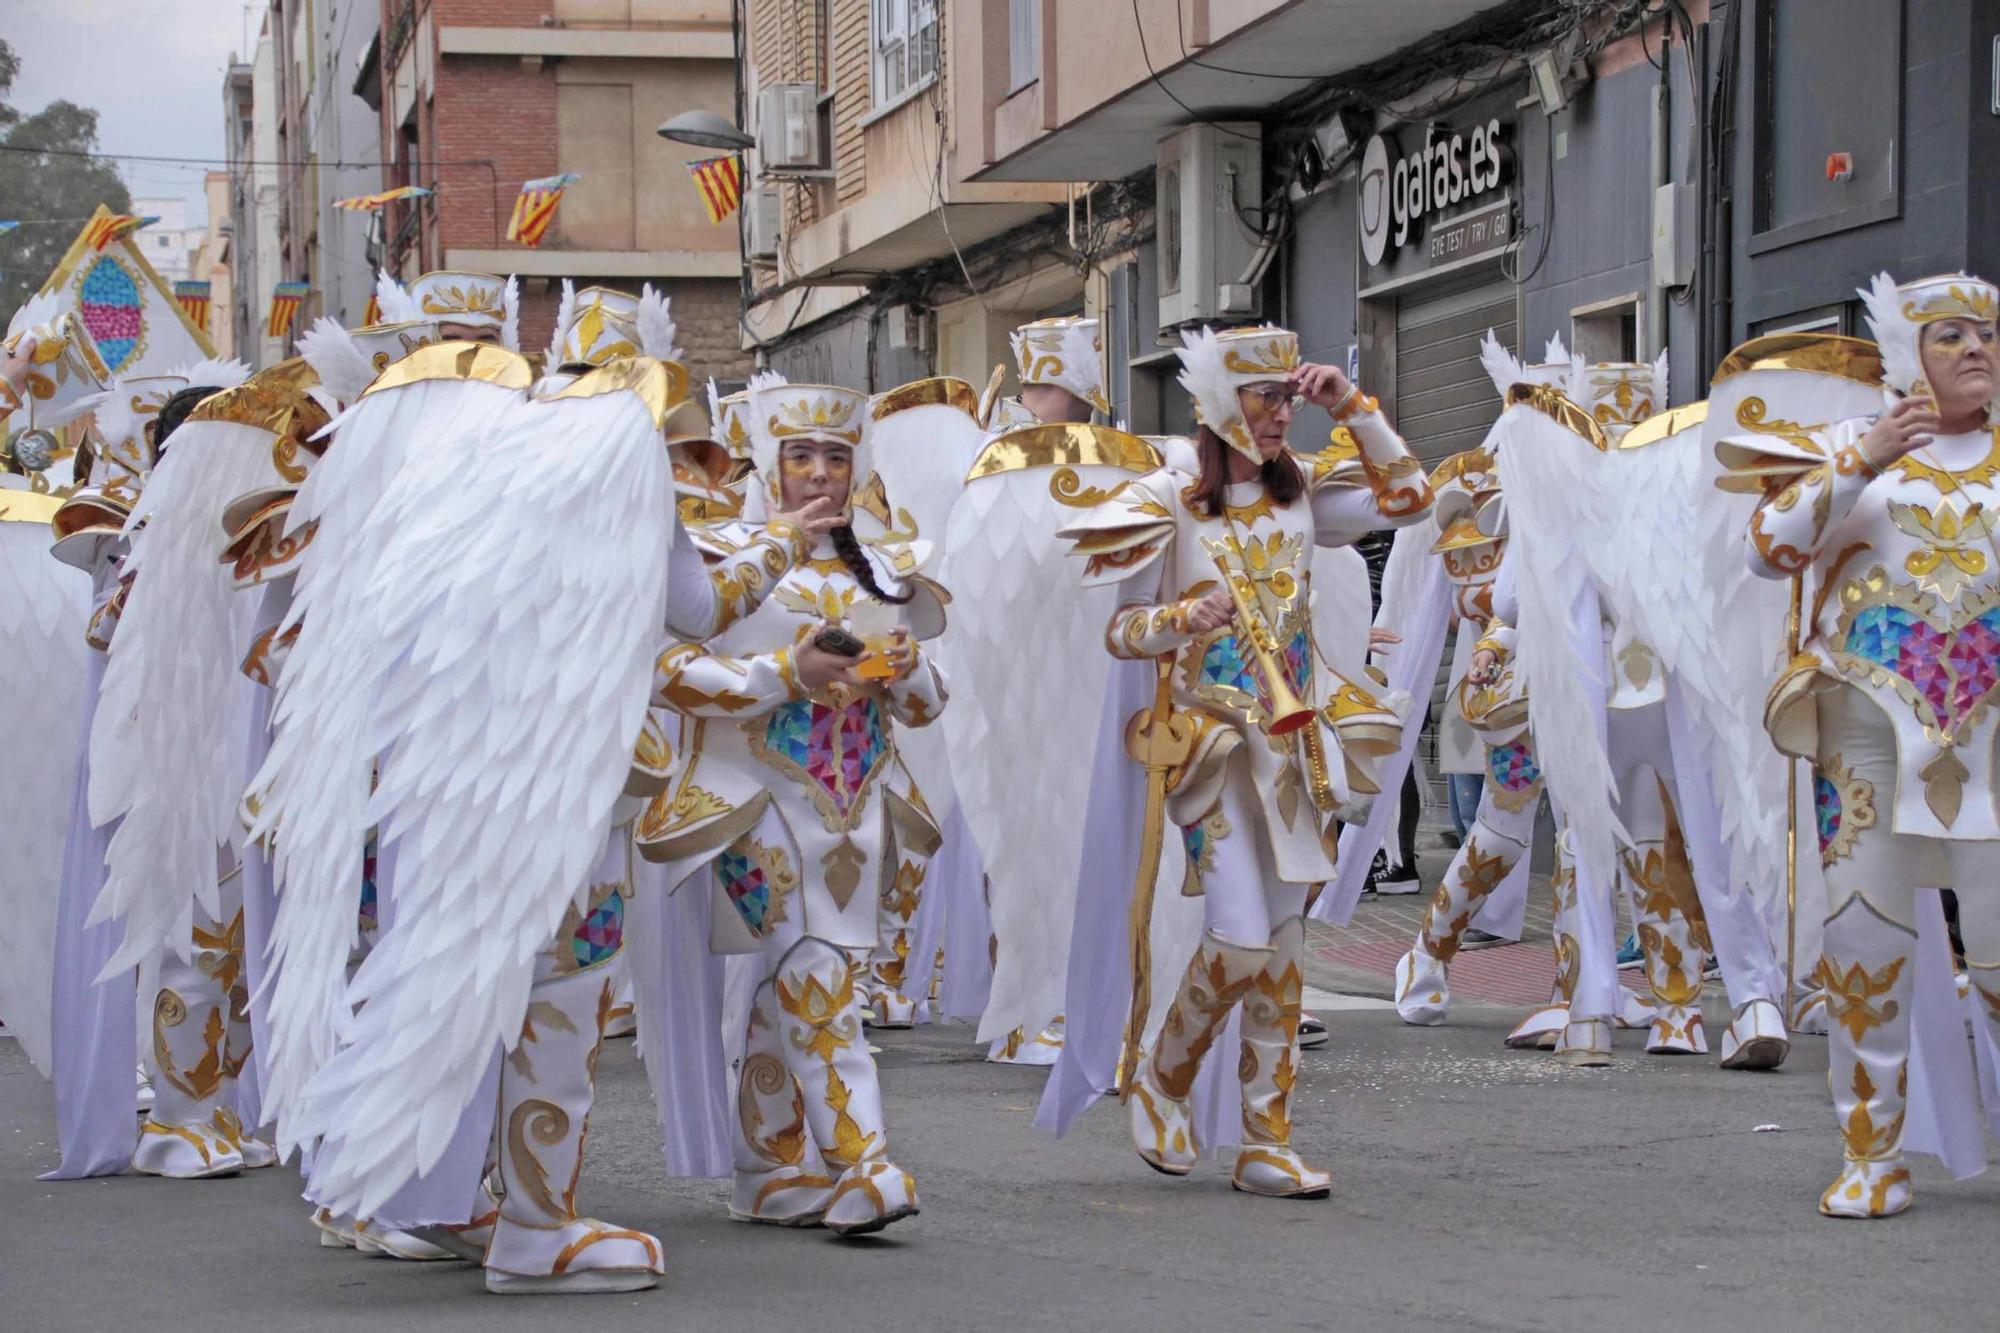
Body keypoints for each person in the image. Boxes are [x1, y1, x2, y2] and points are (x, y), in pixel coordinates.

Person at [1058, 324, 1429, 1197]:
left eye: (1288, 399)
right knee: (1236, 938)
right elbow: (1117, 629)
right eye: (1265, 398)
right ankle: (1164, 1075)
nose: (1278, 415)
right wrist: (1180, 620)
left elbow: (1409, 500)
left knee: (1286, 946)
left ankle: (1267, 1136)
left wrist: (1352, 405)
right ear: (1220, 402)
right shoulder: (1169, 499)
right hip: (1211, 748)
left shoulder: (1300, 496)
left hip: (1295, 748)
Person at [640, 377, 947, 1235]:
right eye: (801, 455)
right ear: (769, 464)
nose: (820, 474)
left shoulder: (885, 567)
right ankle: (865, 1161)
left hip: (856, 807)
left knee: (791, 984)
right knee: (817, 970)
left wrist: (902, 667)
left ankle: (770, 1167)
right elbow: (668, 671)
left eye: (837, 456)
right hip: (750, 802)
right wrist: (783, 674)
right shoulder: (715, 556)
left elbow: (927, 703)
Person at [1727, 272, 2000, 1216]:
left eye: (1987, 335)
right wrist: (1865, 456)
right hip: (1870, 739)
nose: (1976, 349)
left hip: (1994, 741)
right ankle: (1871, 1152)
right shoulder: (1853, 450)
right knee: (1865, 947)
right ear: (1906, 355)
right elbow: (1767, 544)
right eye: (1951, 335)